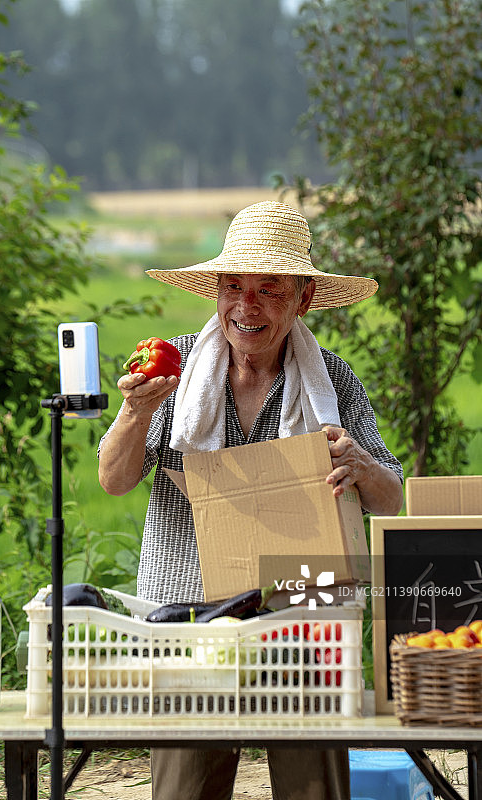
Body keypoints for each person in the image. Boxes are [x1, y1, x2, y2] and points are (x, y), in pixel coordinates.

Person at [98, 201, 404, 800]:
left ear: (302, 299)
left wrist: (360, 466)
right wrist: (136, 413)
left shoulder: (330, 381)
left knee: (313, 787)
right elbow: (114, 479)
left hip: (302, 611)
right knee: (185, 789)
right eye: (233, 286)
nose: (247, 306)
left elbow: (390, 498)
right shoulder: (176, 367)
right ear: (215, 292)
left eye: (269, 289)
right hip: (190, 615)